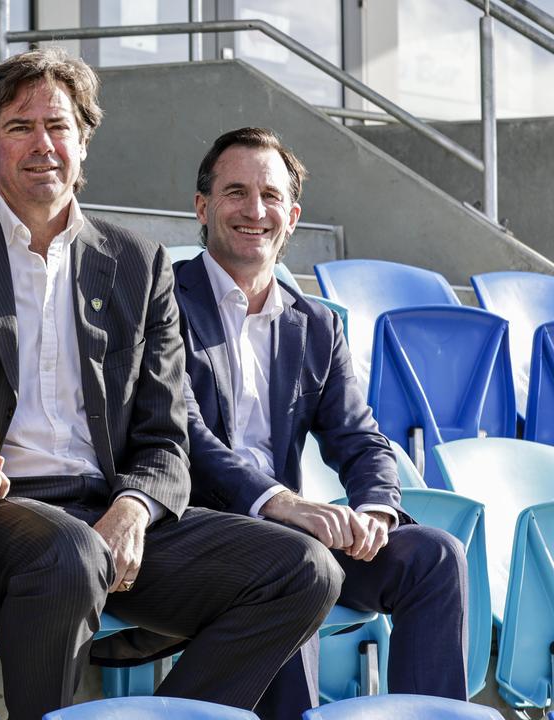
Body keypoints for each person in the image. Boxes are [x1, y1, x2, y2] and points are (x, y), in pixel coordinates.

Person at [0, 48, 344, 720]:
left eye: (59, 127)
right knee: (68, 553)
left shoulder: (137, 264)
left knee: (303, 570)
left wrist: (135, 507)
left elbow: (165, 437)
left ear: (84, 144)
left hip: (109, 510)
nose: (43, 145)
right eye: (20, 127)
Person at [176, 126, 468, 718]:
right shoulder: (163, 300)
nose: (254, 210)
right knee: (295, 562)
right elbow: (182, 432)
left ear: (292, 215)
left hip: (293, 528)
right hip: (197, 529)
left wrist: (374, 511)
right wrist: (282, 504)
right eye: (235, 193)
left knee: (435, 556)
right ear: (203, 207)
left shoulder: (316, 324)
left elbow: (360, 438)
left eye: (271, 196)